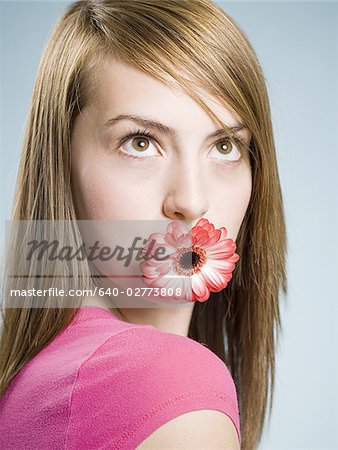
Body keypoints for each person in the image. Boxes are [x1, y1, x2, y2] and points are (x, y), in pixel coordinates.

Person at [0, 1, 288, 449]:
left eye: (225, 146)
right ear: (61, 160)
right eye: (141, 142)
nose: (191, 201)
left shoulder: (28, 382)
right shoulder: (174, 385)